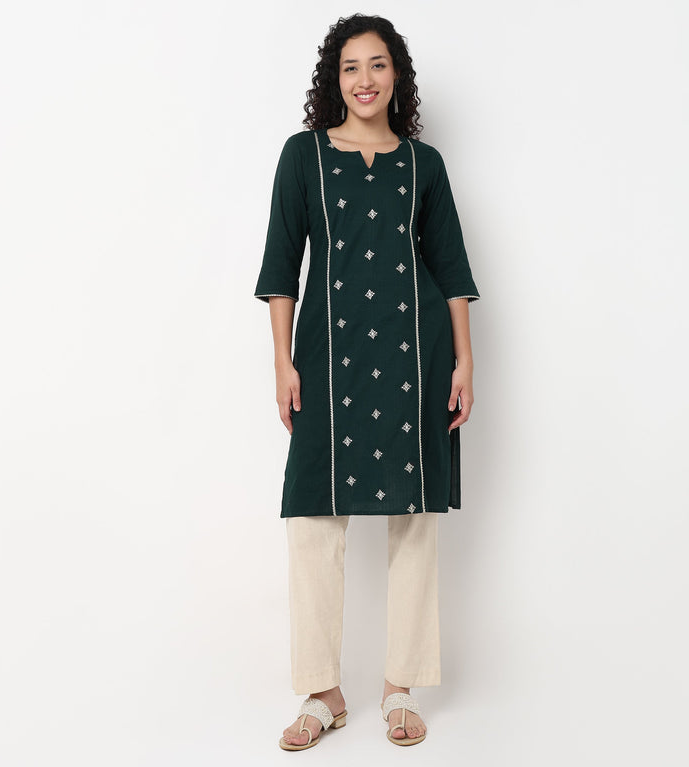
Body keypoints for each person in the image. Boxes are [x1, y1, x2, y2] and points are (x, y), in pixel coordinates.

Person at [254, 13, 480, 751]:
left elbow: (450, 267)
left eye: (377, 65)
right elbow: (281, 265)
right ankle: (321, 691)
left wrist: (464, 360)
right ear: (334, 78)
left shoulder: (424, 164)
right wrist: (282, 361)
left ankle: (399, 687)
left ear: (396, 76)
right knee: (312, 518)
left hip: (417, 354)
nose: (364, 80)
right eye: (350, 67)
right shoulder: (304, 156)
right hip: (325, 358)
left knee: (415, 517)